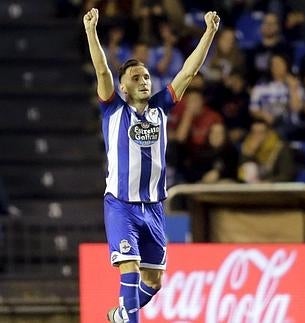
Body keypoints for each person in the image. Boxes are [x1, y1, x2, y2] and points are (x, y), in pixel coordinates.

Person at [83, 8, 219, 323]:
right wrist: (91, 31)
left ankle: (120, 313)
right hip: (121, 205)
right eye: (136, 78)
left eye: (146, 76)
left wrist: (209, 31)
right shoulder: (113, 109)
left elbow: (188, 71)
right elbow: (103, 71)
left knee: (153, 283)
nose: (144, 81)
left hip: (154, 207)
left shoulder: (160, 107)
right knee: (128, 269)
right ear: (123, 86)